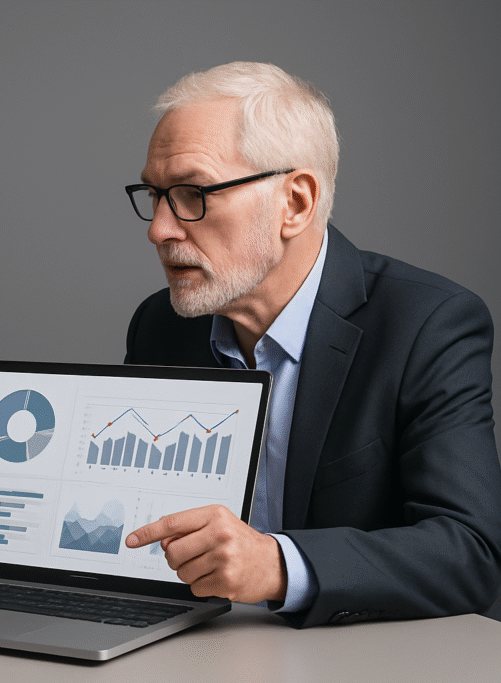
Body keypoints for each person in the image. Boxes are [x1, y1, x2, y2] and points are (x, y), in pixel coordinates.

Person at [120, 62, 501, 627]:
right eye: (154, 195)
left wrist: (277, 565)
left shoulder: (427, 324)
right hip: (200, 645)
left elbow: (469, 553)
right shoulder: (161, 323)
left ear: (295, 203)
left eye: (191, 194)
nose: (159, 229)